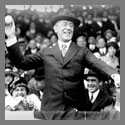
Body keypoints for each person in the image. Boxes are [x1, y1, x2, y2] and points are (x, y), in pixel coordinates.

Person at [5, 10, 120, 113]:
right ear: (56, 29)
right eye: (64, 24)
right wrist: (11, 37)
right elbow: (22, 62)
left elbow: (98, 64)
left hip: (76, 110)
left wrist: (114, 75)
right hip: (50, 110)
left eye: (71, 25)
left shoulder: (82, 51)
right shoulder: (46, 52)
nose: (68, 28)